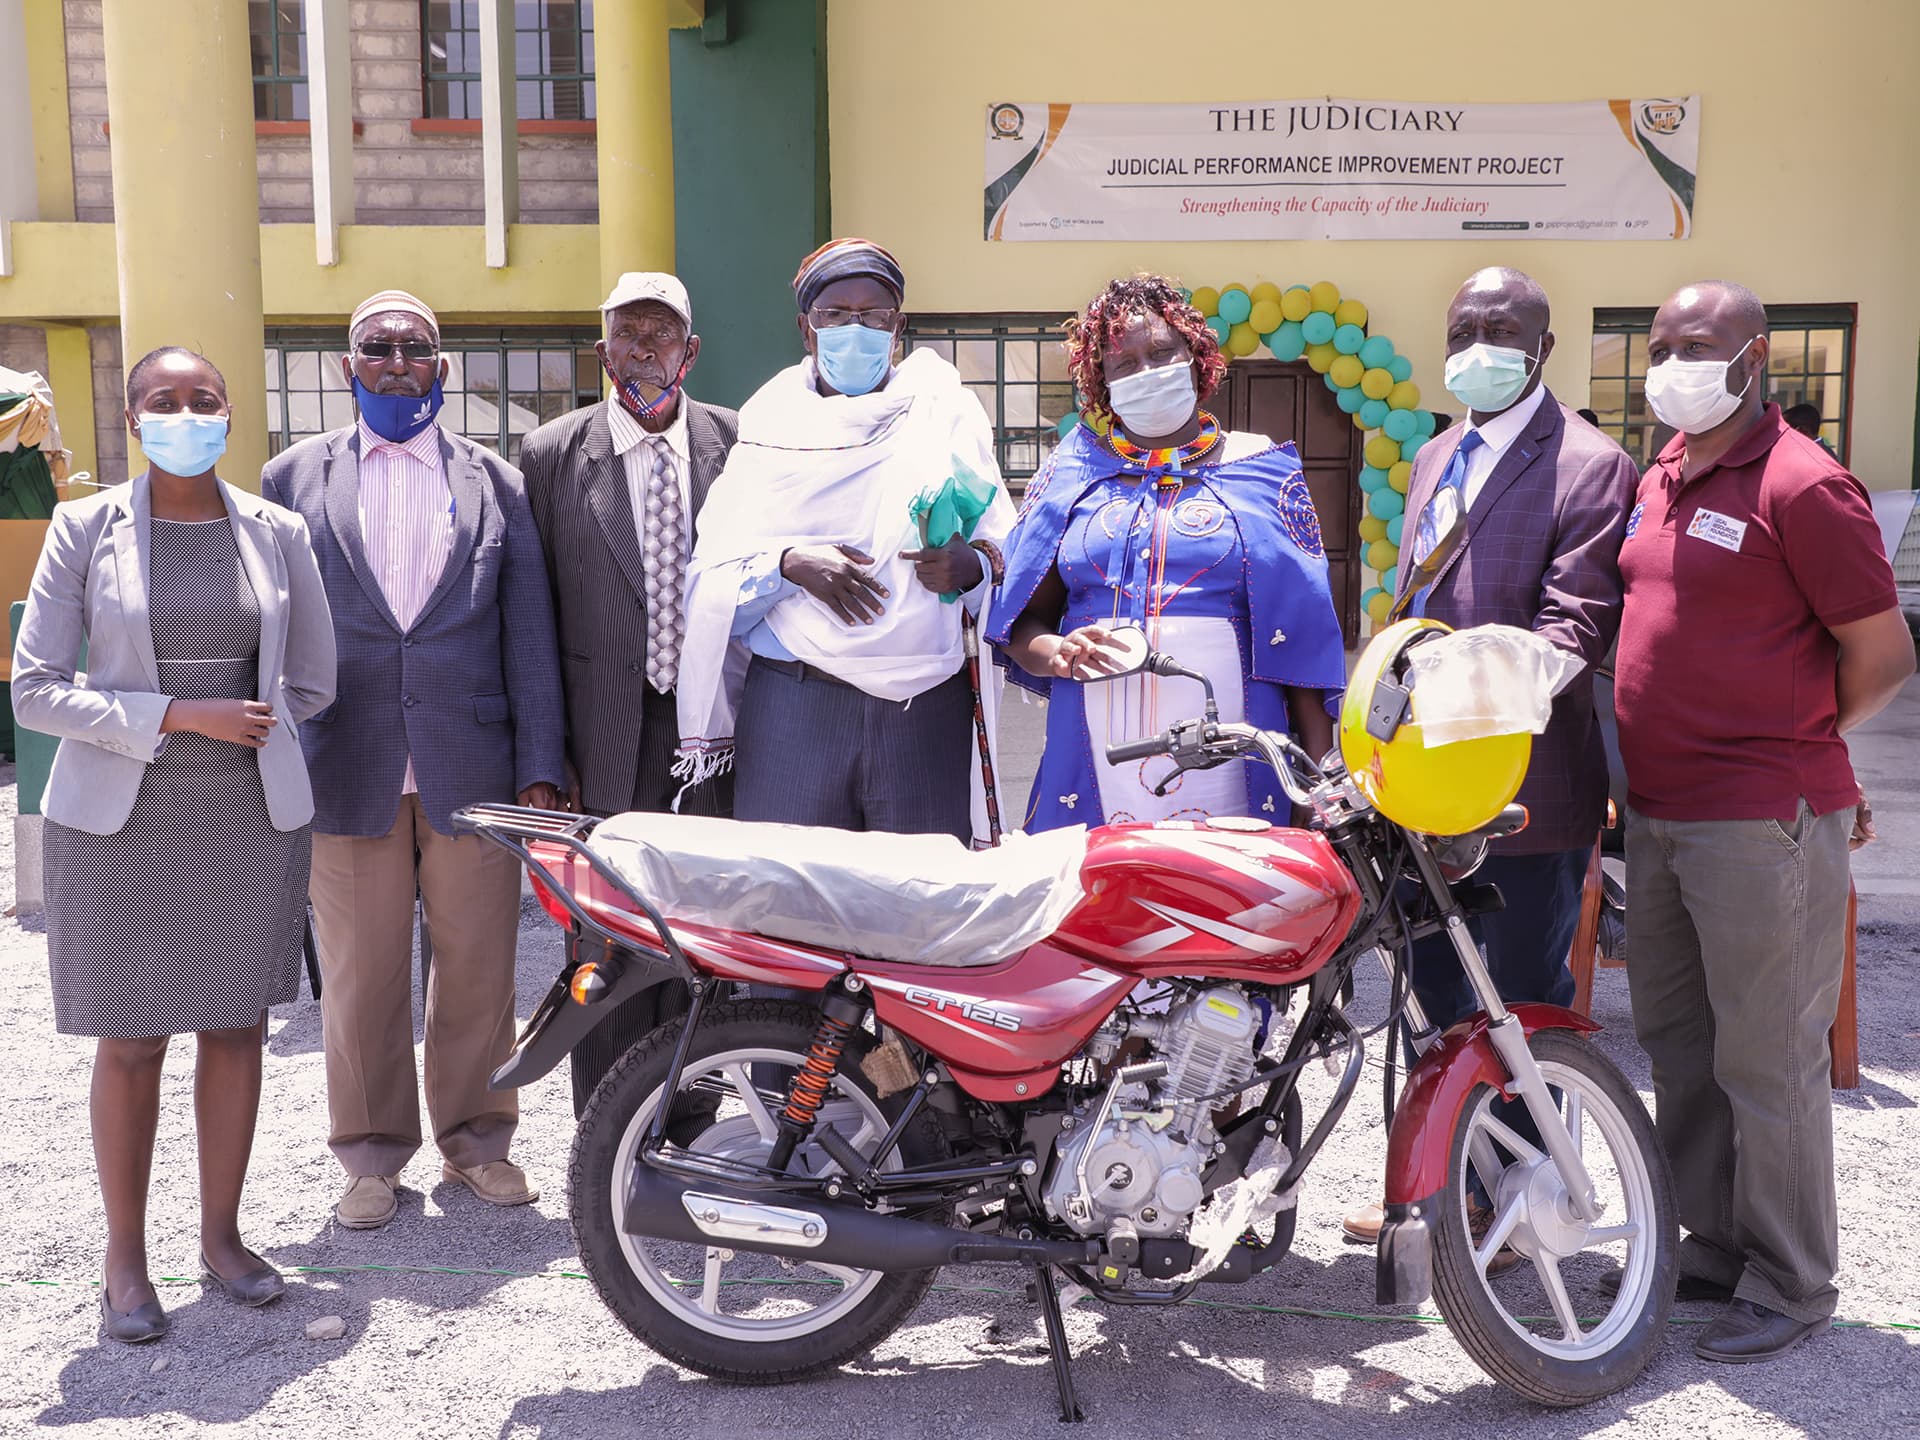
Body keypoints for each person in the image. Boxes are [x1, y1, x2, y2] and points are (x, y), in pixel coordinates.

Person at [1614, 280, 1913, 1362]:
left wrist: (1796, 747)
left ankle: (1791, 1279)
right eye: (1664, 344)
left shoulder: (1803, 484)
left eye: (1703, 344)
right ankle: (1714, 1244)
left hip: (1759, 820)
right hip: (1659, 813)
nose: (1678, 362)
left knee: (1769, 1058)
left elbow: (1883, 657)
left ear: (1756, 356)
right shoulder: (1664, 474)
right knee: (1681, 1045)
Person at [13, 346, 336, 1341]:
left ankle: (223, 1238)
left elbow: (316, 676)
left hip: (246, 815)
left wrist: (257, 725)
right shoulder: (81, 525)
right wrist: (178, 716)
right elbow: (33, 688)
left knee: (236, 1028)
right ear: (131, 417)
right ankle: (123, 1258)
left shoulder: (276, 531)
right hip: (120, 818)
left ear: (230, 413)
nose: (185, 413)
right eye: (164, 400)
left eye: (204, 399)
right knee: (135, 1038)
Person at [1343, 267, 1638, 1249]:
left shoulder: (1591, 466)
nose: (1478, 344)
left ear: (1544, 348)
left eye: (1501, 329)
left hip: (1522, 794)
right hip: (1418, 795)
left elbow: (1572, 633)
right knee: (1434, 998)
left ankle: (1528, 1205)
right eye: (1464, 326)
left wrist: (1448, 702)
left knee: (1518, 1006)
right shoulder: (1437, 455)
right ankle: (1452, 1195)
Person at [261, 290, 566, 1230]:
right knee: (359, 972)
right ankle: (369, 1155)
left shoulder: (495, 481)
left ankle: (477, 1139)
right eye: (378, 347)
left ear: (442, 365)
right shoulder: (289, 479)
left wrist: (540, 761)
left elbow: (529, 636)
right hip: (343, 758)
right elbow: (270, 630)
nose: (398, 361)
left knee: (478, 965)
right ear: (348, 368)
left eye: (416, 348)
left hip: (470, 759)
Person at [676, 238, 1014, 848]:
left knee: (918, 907)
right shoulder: (767, 427)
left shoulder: (947, 413)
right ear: (807, 330)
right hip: (795, 704)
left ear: (898, 327)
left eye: (873, 315)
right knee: (791, 904)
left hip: (924, 706)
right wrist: (789, 566)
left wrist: (969, 568)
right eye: (835, 315)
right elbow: (708, 579)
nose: (854, 329)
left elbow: (1006, 555)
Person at [993, 274, 1344, 829]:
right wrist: (1057, 650)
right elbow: (1020, 619)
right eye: (1123, 364)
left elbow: (1300, 637)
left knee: (1234, 899)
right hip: (1094, 738)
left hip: (1236, 742)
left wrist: (1323, 781)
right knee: (1101, 901)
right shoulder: (1071, 474)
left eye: (1162, 353)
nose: (1147, 373)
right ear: (1101, 384)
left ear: (1196, 358)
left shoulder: (1260, 469)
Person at [520, 271, 739, 1114]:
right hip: (602, 737)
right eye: (626, 331)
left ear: (691, 350)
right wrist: (545, 754)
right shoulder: (550, 453)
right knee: (607, 934)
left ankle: (693, 1119)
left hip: (711, 735)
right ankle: (608, 1121)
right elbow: (531, 617)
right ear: (602, 347)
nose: (644, 347)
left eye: (661, 332)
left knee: (703, 928)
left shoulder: (736, 443)